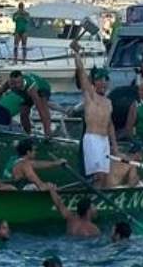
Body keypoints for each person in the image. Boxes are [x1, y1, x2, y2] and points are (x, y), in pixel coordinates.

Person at [74, 54, 117, 186]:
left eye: (106, 79)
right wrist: (76, 54)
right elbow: (81, 72)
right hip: (92, 139)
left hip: (104, 140)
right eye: (100, 79)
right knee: (97, 175)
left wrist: (114, 143)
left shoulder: (109, 102)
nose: (103, 82)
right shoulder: (90, 96)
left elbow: (110, 124)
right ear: (94, 82)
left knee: (105, 176)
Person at [10, 138, 67, 215]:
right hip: (24, 193)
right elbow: (38, 183)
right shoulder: (25, 165)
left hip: (20, 190)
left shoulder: (18, 162)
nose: (35, 152)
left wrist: (57, 163)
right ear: (28, 152)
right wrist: (46, 186)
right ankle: (63, 211)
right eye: (34, 150)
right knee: (50, 186)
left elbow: (40, 164)